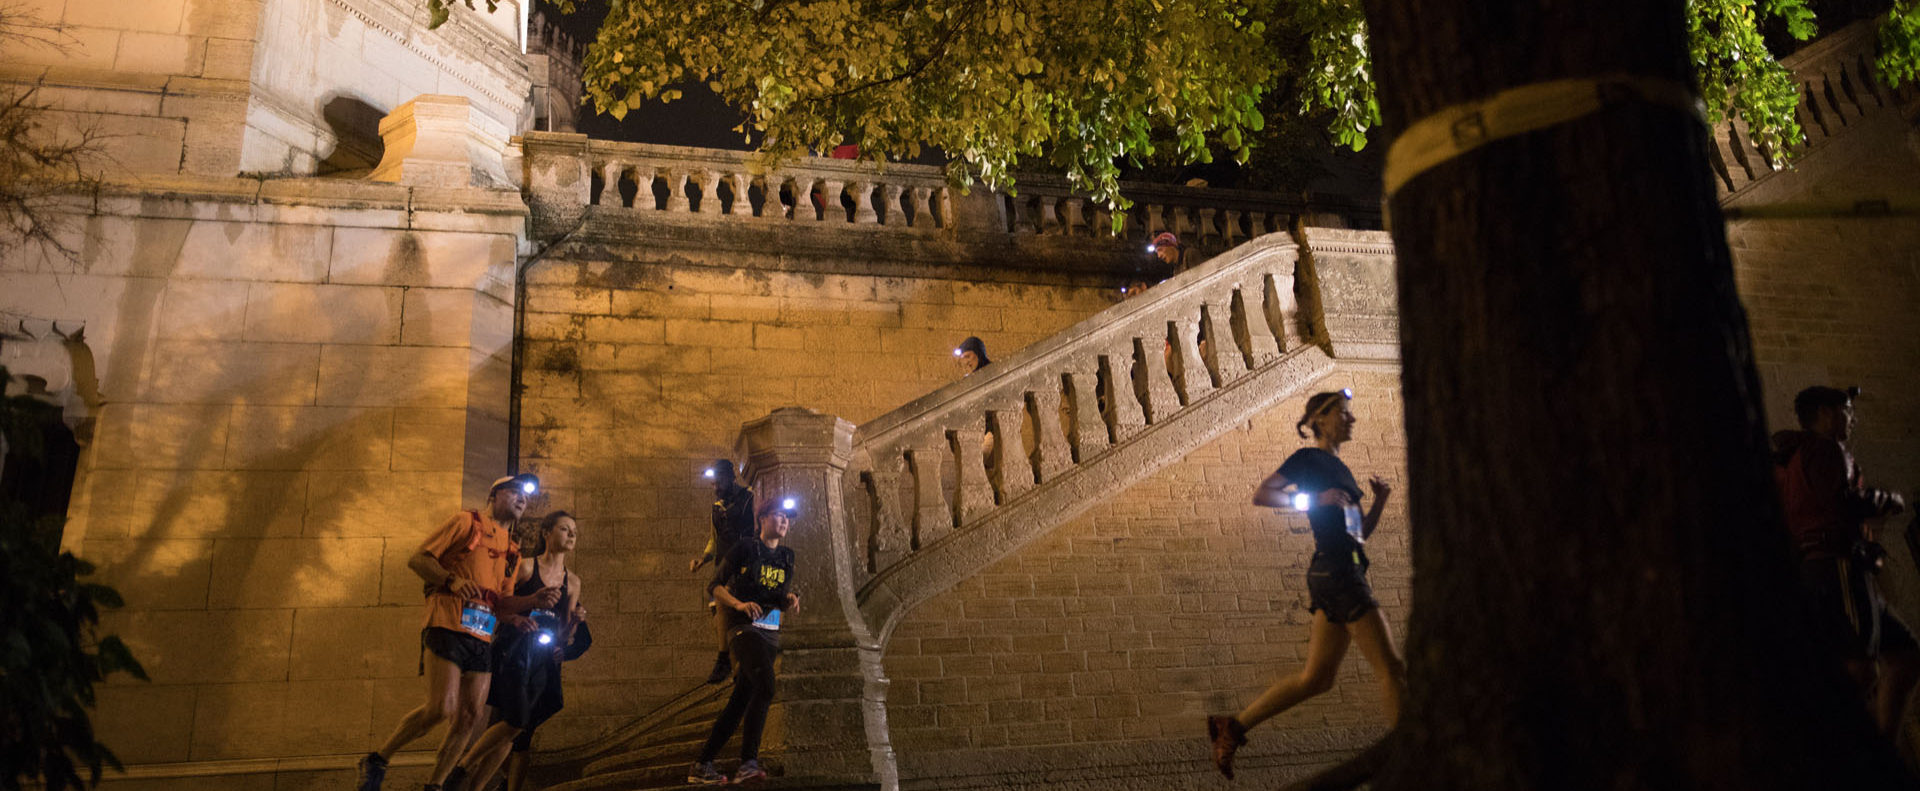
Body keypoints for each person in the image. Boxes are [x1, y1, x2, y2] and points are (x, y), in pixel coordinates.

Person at [1205, 390, 1406, 780]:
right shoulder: (1309, 460)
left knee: (1316, 679)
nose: (1351, 420)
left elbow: (1358, 534)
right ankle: (1416, 758)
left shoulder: (1340, 469)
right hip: (1338, 573)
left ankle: (1232, 727)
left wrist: (1379, 502)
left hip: (1341, 569)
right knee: (1392, 668)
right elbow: (1262, 494)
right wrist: (1316, 497)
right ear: (1319, 419)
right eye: (1343, 414)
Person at [357, 474, 562, 791]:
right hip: (447, 622)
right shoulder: (468, 523)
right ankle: (379, 759)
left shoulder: (512, 551)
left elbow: (502, 603)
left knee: (469, 716)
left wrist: (531, 602)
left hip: (482, 636)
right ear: (494, 496)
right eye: (513, 491)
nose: (522, 497)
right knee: (442, 708)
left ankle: (435, 785)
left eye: (526, 494)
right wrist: (451, 581)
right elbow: (419, 559)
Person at [1773, 385, 1915, 743]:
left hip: (1833, 566)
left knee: (1906, 654)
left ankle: (1879, 749)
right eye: (1848, 410)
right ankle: (1824, 749)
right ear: (1824, 413)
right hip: (1835, 565)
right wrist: (1886, 500)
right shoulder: (1824, 449)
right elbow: (1841, 500)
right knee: (1860, 670)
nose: (1853, 418)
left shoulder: (1797, 456)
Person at [442, 511, 593, 791]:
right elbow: (499, 604)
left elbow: (561, 633)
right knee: (514, 722)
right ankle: (462, 768)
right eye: (564, 529)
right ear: (547, 533)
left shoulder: (573, 582)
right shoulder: (525, 568)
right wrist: (529, 604)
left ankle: (470, 780)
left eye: (574, 530)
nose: (572, 535)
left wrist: (573, 622)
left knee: (512, 730)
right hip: (513, 650)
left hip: (542, 659)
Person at [688, 497, 802, 785]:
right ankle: (748, 763)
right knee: (766, 686)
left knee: (739, 702)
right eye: (778, 514)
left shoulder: (787, 557)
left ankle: (702, 765)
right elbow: (713, 586)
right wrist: (738, 604)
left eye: (788, 517)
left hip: (769, 632)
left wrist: (788, 598)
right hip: (743, 628)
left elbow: (775, 594)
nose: (784, 520)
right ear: (762, 519)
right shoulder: (746, 548)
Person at [691, 460, 757, 683]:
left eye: (718, 482)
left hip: (744, 565)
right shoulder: (716, 508)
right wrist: (703, 558)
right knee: (720, 621)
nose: (715, 488)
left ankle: (725, 661)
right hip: (723, 566)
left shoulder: (749, 498)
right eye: (712, 484)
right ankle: (733, 665)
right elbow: (714, 539)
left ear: (731, 478)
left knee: (728, 611)